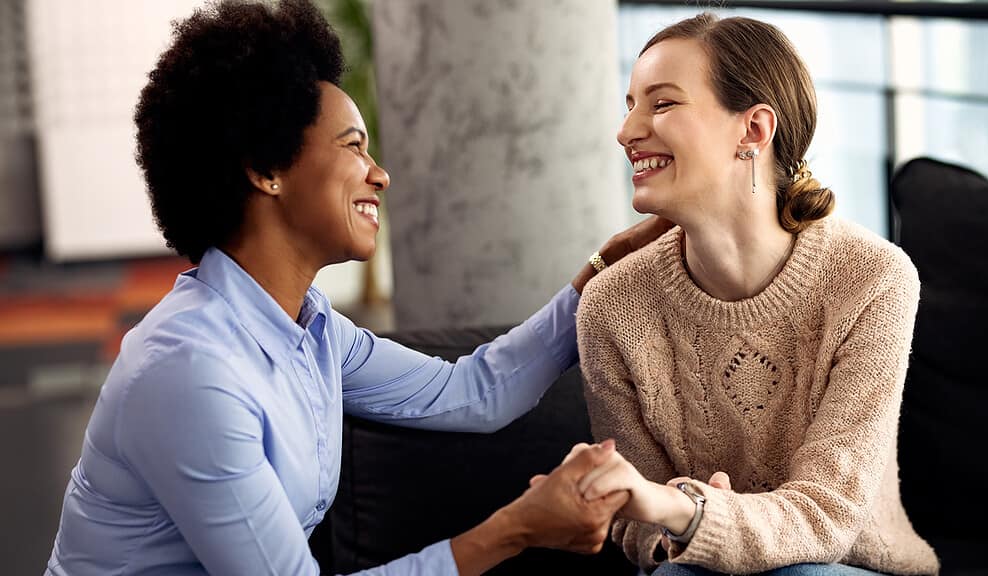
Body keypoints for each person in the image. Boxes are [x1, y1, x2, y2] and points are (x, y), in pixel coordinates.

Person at [44, 1, 673, 574]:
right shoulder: (190, 373)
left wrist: (597, 273)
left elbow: (475, 391)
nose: (381, 174)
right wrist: (517, 529)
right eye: (354, 147)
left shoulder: (309, 327)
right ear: (267, 170)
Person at [572, 13, 940, 576]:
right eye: (629, 105)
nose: (627, 131)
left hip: (851, 566)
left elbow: (828, 514)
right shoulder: (611, 305)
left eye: (662, 104)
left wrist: (690, 509)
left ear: (754, 130)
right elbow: (635, 519)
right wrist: (685, 521)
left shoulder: (873, 279)